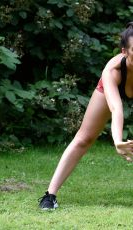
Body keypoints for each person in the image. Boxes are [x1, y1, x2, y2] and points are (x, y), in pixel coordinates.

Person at [38, 22, 133, 210]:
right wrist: (117, 141)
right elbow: (116, 108)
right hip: (116, 85)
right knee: (84, 138)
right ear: (124, 51)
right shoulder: (112, 71)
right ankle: (50, 196)